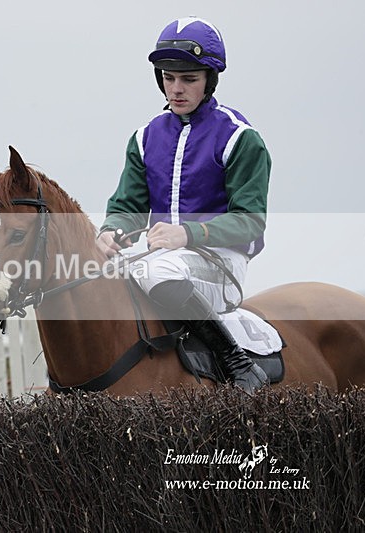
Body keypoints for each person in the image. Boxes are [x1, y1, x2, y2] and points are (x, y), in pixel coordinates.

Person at [96, 16, 271, 393]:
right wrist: (112, 231)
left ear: (210, 79)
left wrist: (188, 234)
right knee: (95, 278)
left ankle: (238, 363)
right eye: (168, 77)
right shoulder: (144, 138)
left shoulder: (241, 138)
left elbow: (250, 221)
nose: (176, 89)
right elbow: (128, 206)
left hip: (221, 264)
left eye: (189, 79)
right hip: (158, 260)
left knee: (158, 272)